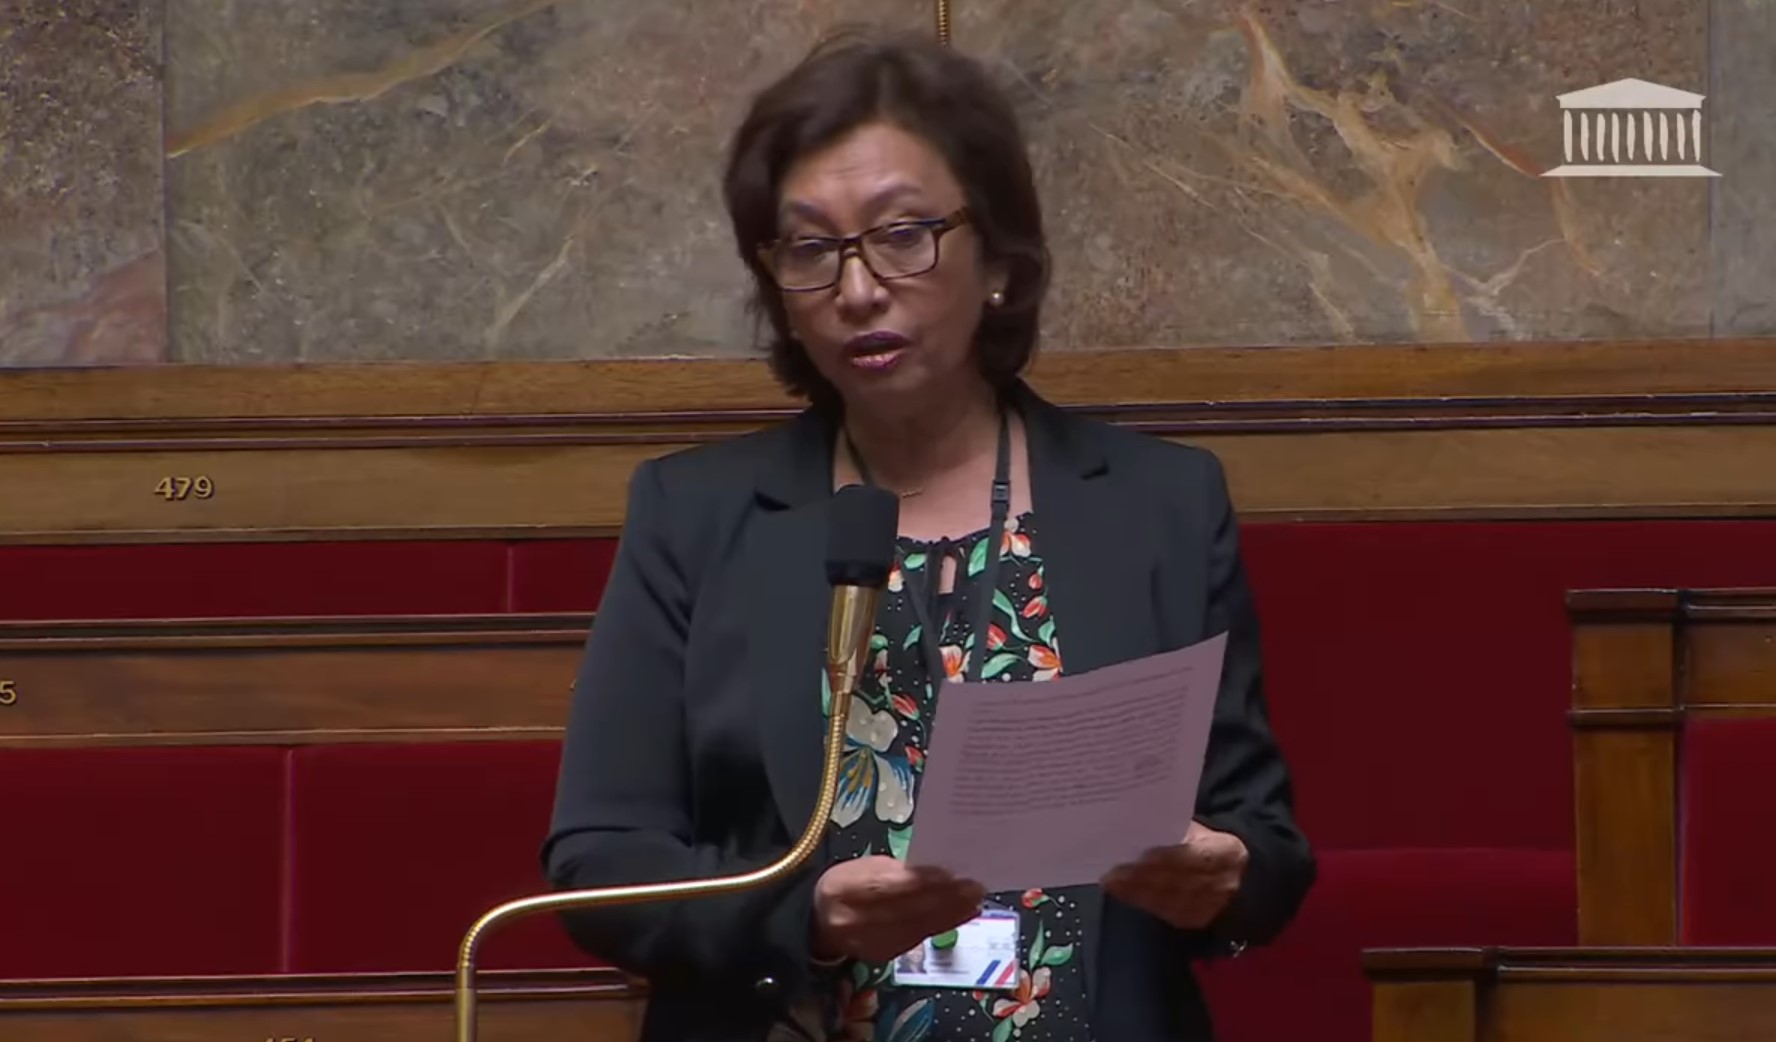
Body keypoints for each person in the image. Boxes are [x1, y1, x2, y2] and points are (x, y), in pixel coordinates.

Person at [541, 26, 1314, 1042]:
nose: (858, 288)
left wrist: (1225, 877)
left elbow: (1265, 846)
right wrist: (807, 917)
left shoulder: (1158, 503)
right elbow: (599, 860)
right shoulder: (696, 514)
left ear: (996, 256)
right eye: (810, 249)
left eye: (902, 234)